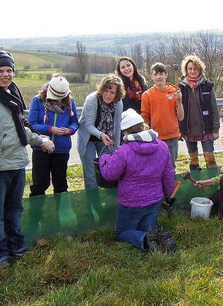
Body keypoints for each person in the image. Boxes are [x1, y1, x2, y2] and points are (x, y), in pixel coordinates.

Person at [0, 51, 55, 268]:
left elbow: (18, 129)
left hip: (16, 163)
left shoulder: (9, 95)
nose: (5, 74)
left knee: (15, 210)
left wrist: (40, 140)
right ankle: (0, 256)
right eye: (0, 71)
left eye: (9, 70)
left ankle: (17, 248)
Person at [99, 109, 177, 252]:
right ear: (143, 126)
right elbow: (168, 175)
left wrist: (104, 158)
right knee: (147, 228)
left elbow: (109, 174)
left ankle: (145, 240)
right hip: (154, 202)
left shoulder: (124, 151)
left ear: (126, 132)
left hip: (131, 204)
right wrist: (170, 195)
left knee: (122, 232)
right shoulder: (162, 147)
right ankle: (158, 234)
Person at [28, 74, 79, 196]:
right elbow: (32, 124)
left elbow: (75, 122)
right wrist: (50, 129)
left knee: (61, 184)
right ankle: (37, 213)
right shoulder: (38, 100)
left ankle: (59, 213)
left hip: (61, 148)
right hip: (41, 148)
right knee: (40, 184)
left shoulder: (70, 102)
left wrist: (69, 130)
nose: (58, 100)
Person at [77, 74, 124, 189]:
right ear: (102, 89)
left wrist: (116, 149)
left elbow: (117, 127)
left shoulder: (118, 103)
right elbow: (88, 125)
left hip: (106, 139)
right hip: (88, 138)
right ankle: (93, 203)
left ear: (117, 94)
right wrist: (101, 134)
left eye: (112, 92)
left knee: (108, 169)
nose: (108, 95)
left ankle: (109, 200)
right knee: (91, 173)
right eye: (106, 91)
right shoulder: (92, 100)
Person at [178, 55, 220, 171]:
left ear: (200, 70)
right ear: (186, 70)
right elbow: (176, 111)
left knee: (210, 159)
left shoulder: (207, 86)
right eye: (190, 68)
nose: (192, 71)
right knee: (194, 160)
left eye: (195, 69)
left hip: (206, 129)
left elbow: (214, 109)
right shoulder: (180, 88)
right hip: (188, 130)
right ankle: (196, 184)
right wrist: (179, 130)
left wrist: (215, 130)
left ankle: (212, 183)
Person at [141, 62, 184, 168]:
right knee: (157, 167)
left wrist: (180, 101)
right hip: (156, 138)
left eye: (161, 74)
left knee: (171, 167)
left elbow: (181, 117)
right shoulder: (147, 95)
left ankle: (170, 185)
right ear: (151, 76)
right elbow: (145, 118)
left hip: (172, 137)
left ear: (166, 75)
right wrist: (146, 137)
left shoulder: (174, 92)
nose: (159, 77)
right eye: (156, 74)